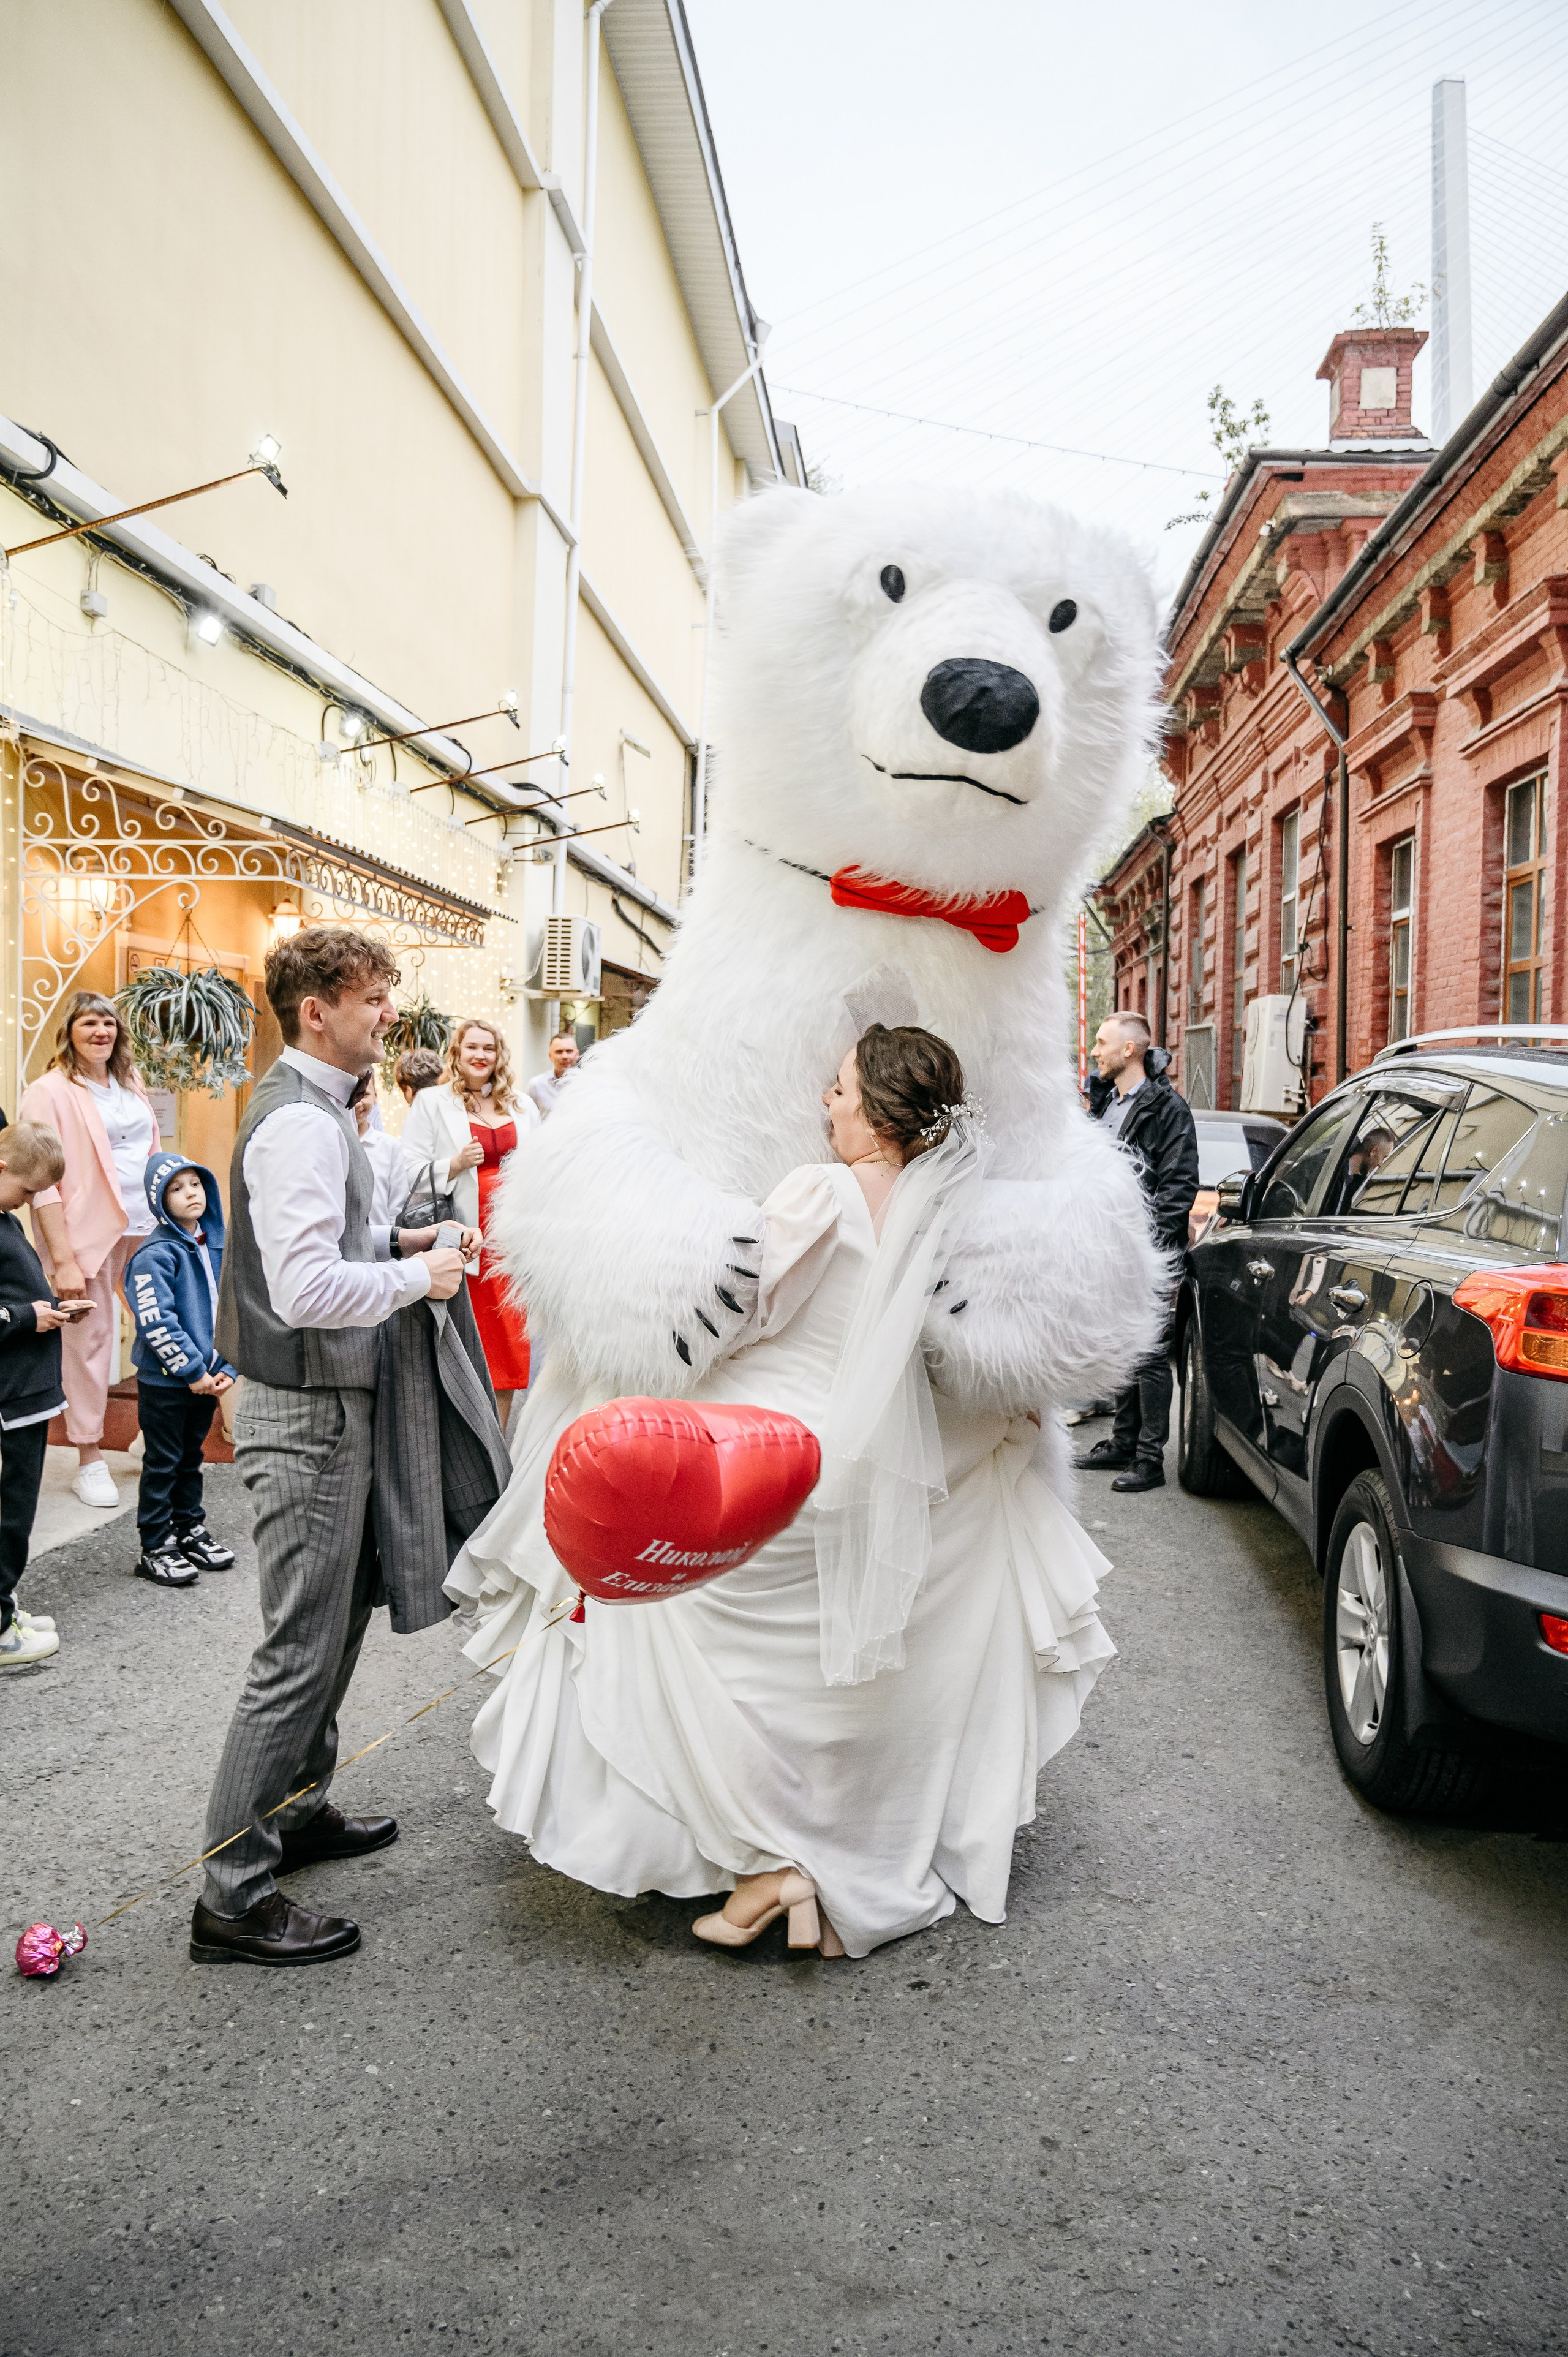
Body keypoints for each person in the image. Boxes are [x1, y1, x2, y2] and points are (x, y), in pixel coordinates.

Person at [445, 1024, 1115, 1961]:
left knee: (661, 1628)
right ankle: (837, 1869)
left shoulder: (818, 1191)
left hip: (777, 1459)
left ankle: (765, 1863)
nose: (826, 1105)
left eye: (840, 1090)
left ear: (878, 1114)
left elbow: (754, 1315)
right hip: (883, 1466)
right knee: (843, 1687)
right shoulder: (949, 1209)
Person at [192, 926, 481, 1969]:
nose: (388, 1014)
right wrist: (422, 1281)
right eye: (374, 998)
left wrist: (405, 1242)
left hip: (326, 1402)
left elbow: (330, 1249)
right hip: (305, 1409)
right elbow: (307, 1290)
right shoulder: (300, 1125)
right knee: (296, 1650)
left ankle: (298, 1810)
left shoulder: (318, 1112)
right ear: (318, 1008)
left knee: (334, 1625)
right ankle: (231, 1892)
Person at [20, 990, 159, 1509]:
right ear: (71, 1031)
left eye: (109, 1023)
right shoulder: (48, 1092)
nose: (101, 1031)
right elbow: (42, 1183)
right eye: (89, 1023)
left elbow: (150, 1152)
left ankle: (152, 1432)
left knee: (159, 1332)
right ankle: (88, 1455)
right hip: (87, 1238)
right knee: (90, 1347)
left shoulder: (131, 1083)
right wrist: (61, 1260)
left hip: (147, 1228)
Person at [1074, 1012, 1199, 1494]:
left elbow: (1179, 1186)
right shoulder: (1106, 1104)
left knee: (1148, 1352)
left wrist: (1145, 1248)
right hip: (1108, 1247)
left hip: (1146, 1252)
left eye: (1102, 1043)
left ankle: (1150, 1460)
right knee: (1123, 1346)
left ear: (1130, 1050)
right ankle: (1123, 1443)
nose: (1095, 1051)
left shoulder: (1168, 1109)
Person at [401, 1018, 538, 1427]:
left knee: (510, 1351)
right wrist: (456, 1163)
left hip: (512, 1244)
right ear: (457, 1053)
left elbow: (548, 1166)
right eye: (472, 1048)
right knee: (468, 1345)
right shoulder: (432, 1102)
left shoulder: (522, 1105)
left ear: (500, 1055)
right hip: (464, 1240)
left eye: (489, 1049)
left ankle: (497, 1444)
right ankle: (463, 1444)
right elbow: (407, 1170)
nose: (481, 1056)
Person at [124, 1153, 238, 1590]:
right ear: (159, 1201)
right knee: (163, 1462)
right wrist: (191, 1369)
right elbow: (156, 1319)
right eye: (177, 1187)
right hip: (167, 1381)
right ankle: (155, 1545)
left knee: (193, 1458)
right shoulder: (155, 1255)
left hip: (206, 1379)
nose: (191, 1193)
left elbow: (230, 1308)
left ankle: (188, 1530)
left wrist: (227, 1362)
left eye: (196, 1184)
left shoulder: (216, 1245)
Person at [0, 1122, 82, 1669]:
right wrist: (31, 1315)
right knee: (10, 1510)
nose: (32, 1202)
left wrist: (44, 1306)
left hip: (27, 1391)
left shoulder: (4, 1218)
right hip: (12, 1395)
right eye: (28, 1190)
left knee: (18, 1507)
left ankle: (4, 1606)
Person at [526, 1029, 579, 1118]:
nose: (565, 1056)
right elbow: (527, 1117)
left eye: (569, 1051)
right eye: (559, 1052)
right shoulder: (536, 1085)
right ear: (550, 1056)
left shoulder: (589, 1084)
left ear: (577, 1054)